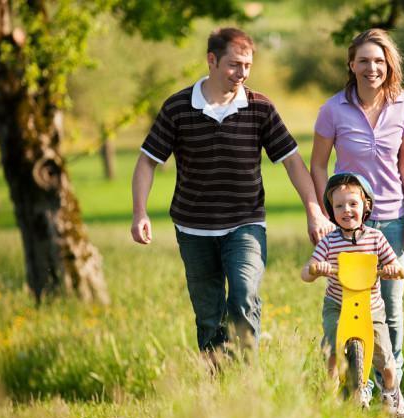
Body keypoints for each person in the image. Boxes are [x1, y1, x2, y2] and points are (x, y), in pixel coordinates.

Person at [131, 27, 333, 362]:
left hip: (245, 223)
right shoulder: (178, 107)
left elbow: (293, 163)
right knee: (209, 316)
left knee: (243, 295)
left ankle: (245, 377)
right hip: (194, 227)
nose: (242, 74)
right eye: (234, 65)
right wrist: (140, 212)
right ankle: (219, 384)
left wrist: (314, 211)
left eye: (248, 66)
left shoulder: (260, 108)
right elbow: (146, 163)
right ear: (211, 60)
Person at [311, 29, 404, 391]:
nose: (371, 67)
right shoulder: (332, 109)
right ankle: (358, 389)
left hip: (391, 219)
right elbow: (318, 165)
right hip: (348, 223)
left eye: (379, 60)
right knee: (347, 305)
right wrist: (326, 214)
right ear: (351, 64)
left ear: (389, 64)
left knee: (389, 306)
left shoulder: (403, 103)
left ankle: (391, 385)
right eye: (364, 61)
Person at [301, 173, 404, 414]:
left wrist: (392, 269)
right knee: (332, 351)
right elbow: (306, 272)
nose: (346, 210)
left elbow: (397, 267)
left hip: (371, 308)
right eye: (339, 206)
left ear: (366, 205)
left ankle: (390, 391)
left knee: (385, 359)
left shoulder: (376, 238)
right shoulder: (329, 242)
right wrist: (317, 269)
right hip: (338, 305)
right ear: (331, 210)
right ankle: (331, 394)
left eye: (352, 204)